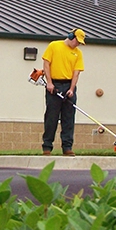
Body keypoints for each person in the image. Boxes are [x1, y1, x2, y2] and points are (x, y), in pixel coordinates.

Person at [41, 28, 85, 156]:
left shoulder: (78, 53)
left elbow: (76, 73)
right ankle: (47, 147)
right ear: (71, 36)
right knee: (51, 117)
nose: (78, 44)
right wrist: (49, 83)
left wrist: (71, 89)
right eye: (77, 41)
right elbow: (46, 64)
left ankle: (67, 147)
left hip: (68, 85)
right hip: (54, 84)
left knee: (68, 118)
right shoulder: (54, 46)